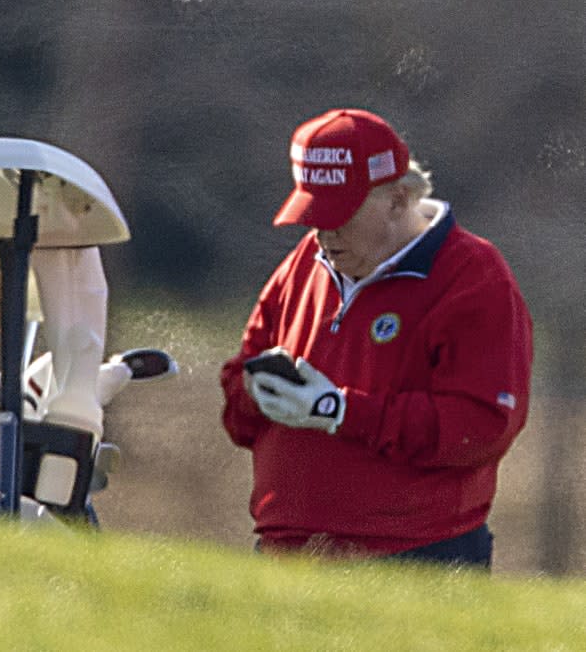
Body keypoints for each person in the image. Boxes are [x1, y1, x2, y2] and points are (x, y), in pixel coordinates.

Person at [219, 108, 533, 569]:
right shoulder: (306, 261)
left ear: (398, 198)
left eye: (339, 214)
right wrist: (259, 393)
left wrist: (341, 411)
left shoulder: (474, 277)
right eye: (313, 215)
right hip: (284, 551)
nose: (324, 233)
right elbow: (238, 399)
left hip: (414, 556)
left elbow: (482, 426)